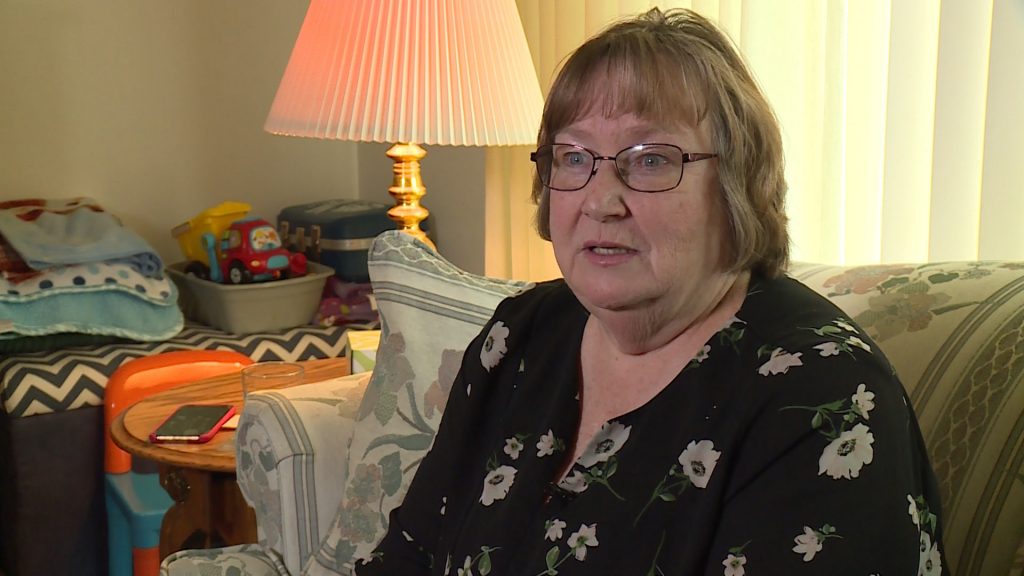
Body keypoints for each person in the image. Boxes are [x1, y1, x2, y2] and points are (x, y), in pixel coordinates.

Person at [356, 7, 945, 575]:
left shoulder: (824, 396)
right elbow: (408, 556)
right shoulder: (519, 335)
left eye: (650, 160)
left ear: (737, 183)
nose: (600, 200)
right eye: (574, 157)